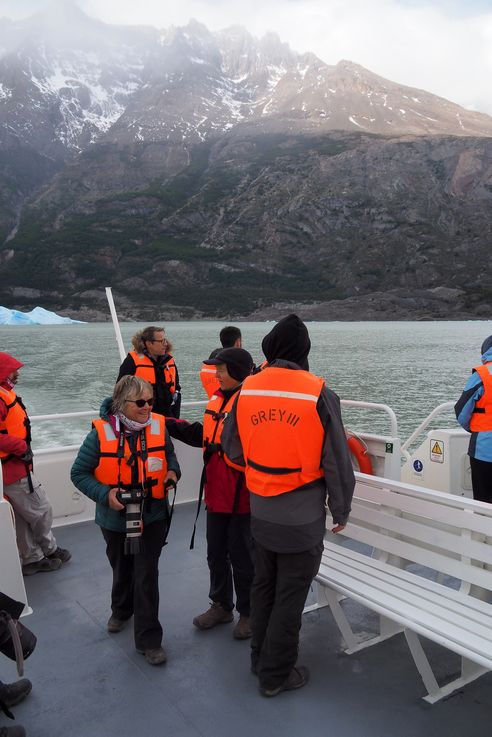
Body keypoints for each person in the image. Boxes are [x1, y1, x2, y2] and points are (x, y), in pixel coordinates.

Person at [221, 314, 355, 697]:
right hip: (302, 520)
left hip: (261, 512)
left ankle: (258, 658)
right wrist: (341, 510)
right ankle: (276, 675)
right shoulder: (318, 392)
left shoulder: (248, 389)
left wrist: (263, 470)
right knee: (290, 595)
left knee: (264, 586)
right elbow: (337, 461)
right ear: (303, 351)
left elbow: (231, 448)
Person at [70, 376, 180, 665]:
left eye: (150, 401)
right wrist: (106, 494)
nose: (147, 408)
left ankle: (149, 641)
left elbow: (170, 457)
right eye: (140, 402)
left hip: (152, 514)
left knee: (146, 576)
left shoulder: (158, 426)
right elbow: (78, 473)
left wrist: (172, 474)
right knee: (122, 567)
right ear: (122, 403)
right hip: (115, 518)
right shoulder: (100, 434)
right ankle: (120, 609)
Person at [169, 348, 255, 639]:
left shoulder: (252, 402)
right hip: (216, 493)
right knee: (216, 552)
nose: (215, 374)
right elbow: (204, 436)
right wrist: (166, 423)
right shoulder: (218, 399)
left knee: (243, 557)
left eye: (221, 369)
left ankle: (249, 612)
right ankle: (221, 605)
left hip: (242, 495)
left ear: (237, 370)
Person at [0, 353, 71, 576]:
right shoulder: (0, 398)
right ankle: (49, 550)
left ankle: (31, 559)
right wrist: (22, 448)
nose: (17, 374)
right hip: (13, 468)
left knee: (21, 516)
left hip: (9, 468)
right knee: (41, 509)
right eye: (13, 370)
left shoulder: (4, 394)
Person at [455, 335, 492, 502]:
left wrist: (475, 428)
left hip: (485, 448)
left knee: (484, 499)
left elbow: (461, 411)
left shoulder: (483, 374)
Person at [118, 326, 181, 418]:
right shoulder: (132, 361)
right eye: (161, 341)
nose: (165, 344)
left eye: (165, 340)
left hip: (168, 415)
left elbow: (177, 388)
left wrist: (175, 416)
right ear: (148, 343)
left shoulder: (169, 360)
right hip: (142, 417)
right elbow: (120, 391)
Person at [200, 326, 242, 399]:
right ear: (238, 342)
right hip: (232, 407)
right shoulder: (237, 364)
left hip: (214, 406)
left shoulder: (207, 364)